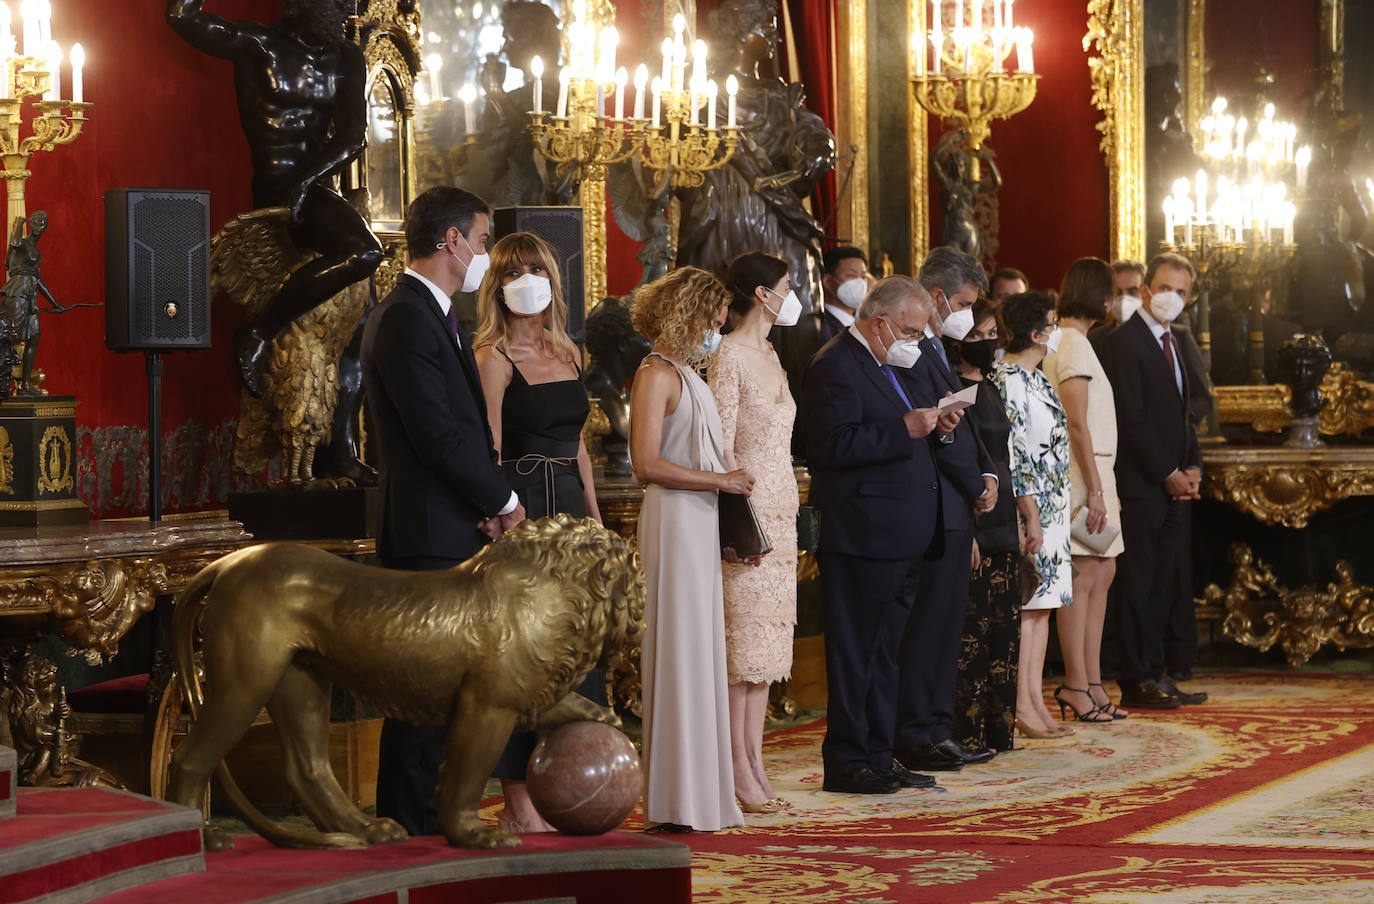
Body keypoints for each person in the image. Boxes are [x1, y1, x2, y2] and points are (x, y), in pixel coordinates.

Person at [360, 186, 525, 837]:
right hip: (427, 534)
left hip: (449, 524)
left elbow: (460, 430)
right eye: (482, 240)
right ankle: (411, 826)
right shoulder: (405, 315)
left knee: (438, 695)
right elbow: (437, 433)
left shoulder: (431, 313)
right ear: (452, 240)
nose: (485, 253)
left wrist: (481, 505)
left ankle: (424, 821)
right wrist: (502, 500)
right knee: (421, 697)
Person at [167, 0, 384, 400]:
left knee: (363, 320)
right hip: (275, 186)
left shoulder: (346, 57)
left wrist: (307, 182)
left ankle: (342, 452)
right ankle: (257, 333)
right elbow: (183, 18)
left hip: (317, 188)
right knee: (365, 252)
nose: (345, 12)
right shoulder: (259, 43)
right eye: (335, 3)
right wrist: (298, 186)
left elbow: (355, 135)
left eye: (350, 4)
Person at [472, 232, 606, 833]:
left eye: (536, 267)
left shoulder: (571, 351)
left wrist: (597, 519)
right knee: (522, 658)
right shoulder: (491, 357)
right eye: (513, 270)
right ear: (496, 283)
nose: (527, 278)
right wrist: (501, 526)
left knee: (575, 653)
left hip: (573, 512)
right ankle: (520, 804)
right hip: (522, 511)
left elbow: (577, 442)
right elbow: (489, 449)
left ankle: (570, 783)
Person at [802, 275, 943, 795]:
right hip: (862, 535)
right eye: (909, 330)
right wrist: (904, 428)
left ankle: (880, 755)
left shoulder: (889, 361)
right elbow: (830, 446)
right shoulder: (835, 362)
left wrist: (933, 424)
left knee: (886, 653)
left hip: (901, 533)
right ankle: (847, 761)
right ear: (879, 321)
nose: (916, 341)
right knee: (855, 653)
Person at [630, 266, 753, 833]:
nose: (718, 331)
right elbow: (647, 465)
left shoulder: (691, 374)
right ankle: (676, 797)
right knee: (679, 650)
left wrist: (735, 519)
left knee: (701, 651)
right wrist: (721, 483)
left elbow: (711, 461)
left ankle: (701, 794)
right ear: (689, 314)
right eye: (714, 320)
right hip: (674, 520)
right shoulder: (655, 374)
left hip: (701, 521)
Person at [896, 246, 999, 773]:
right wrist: (971, 480)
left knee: (946, 628)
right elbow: (935, 430)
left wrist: (986, 474)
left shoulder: (938, 348)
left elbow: (966, 424)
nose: (966, 314)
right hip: (932, 507)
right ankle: (917, 732)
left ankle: (937, 727)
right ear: (937, 297)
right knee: (926, 628)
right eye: (962, 302)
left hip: (957, 506)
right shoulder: (912, 351)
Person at [709, 251, 800, 814]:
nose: (794, 295)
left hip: (783, 506)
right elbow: (718, 443)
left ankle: (756, 762)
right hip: (746, 513)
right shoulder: (730, 357)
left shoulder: (771, 351)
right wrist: (734, 513)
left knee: (767, 651)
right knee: (741, 649)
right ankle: (735, 767)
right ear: (763, 294)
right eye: (787, 286)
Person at [1098, 252, 1207, 710]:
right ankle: (1136, 678)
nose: (1173, 298)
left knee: (1166, 582)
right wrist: (1167, 473)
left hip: (1177, 483)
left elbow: (1186, 415)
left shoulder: (1179, 340)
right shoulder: (1125, 342)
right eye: (1165, 288)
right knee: (1138, 584)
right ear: (1145, 289)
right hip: (1142, 485)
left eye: (1182, 292)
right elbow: (1132, 419)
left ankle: (1158, 674)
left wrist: (1193, 466)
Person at [1043, 259, 1126, 724]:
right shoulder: (1071, 342)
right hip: (1082, 476)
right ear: (1101, 296)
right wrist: (1094, 492)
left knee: (1102, 572)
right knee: (1082, 577)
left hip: (1097, 474)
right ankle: (1076, 683)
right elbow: (1076, 423)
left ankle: (1092, 681)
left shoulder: (1077, 341)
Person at [990, 292, 1074, 740]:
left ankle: (1036, 701)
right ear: (1037, 333)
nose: (1057, 329)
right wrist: (1030, 516)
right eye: (1053, 322)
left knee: (1042, 610)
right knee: (1027, 607)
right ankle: (1019, 703)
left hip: (1054, 504)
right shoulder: (1006, 377)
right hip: (1030, 509)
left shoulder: (1037, 377)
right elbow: (1015, 454)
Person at [946, 299, 1022, 752]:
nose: (988, 342)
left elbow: (1003, 457)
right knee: (971, 636)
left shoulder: (990, 387)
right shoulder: (955, 390)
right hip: (975, 524)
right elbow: (959, 460)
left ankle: (999, 728)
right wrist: (969, 532)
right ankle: (967, 732)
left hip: (1005, 520)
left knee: (1003, 632)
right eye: (977, 335)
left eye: (992, 333)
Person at [818, 246, 876, 344]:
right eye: (851, 275)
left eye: (863, 276)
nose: (860, 283)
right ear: (828, 281)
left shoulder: (863, 326)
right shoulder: (822, 329)